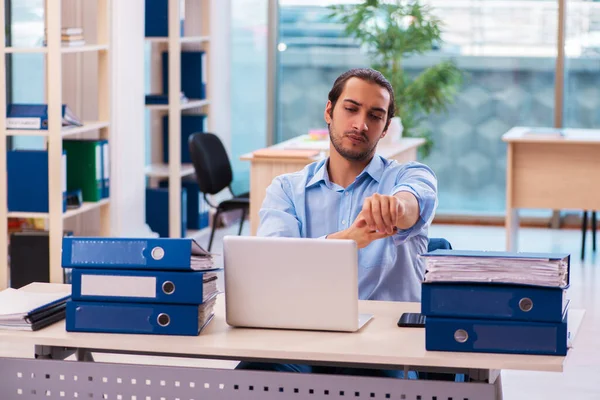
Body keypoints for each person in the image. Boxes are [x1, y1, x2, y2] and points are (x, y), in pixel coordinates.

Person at [237, 67, 438, 377]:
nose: (361, 124)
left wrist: (396, 207)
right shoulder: (287, 189)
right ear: (329, 111)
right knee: (253, 376)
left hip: (386, 345)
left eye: (375, 116)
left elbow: (413, 202)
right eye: (351, 109)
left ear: (385, 128)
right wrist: (346, 240)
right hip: (304, 334)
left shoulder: (409, 175)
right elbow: (273, 265)